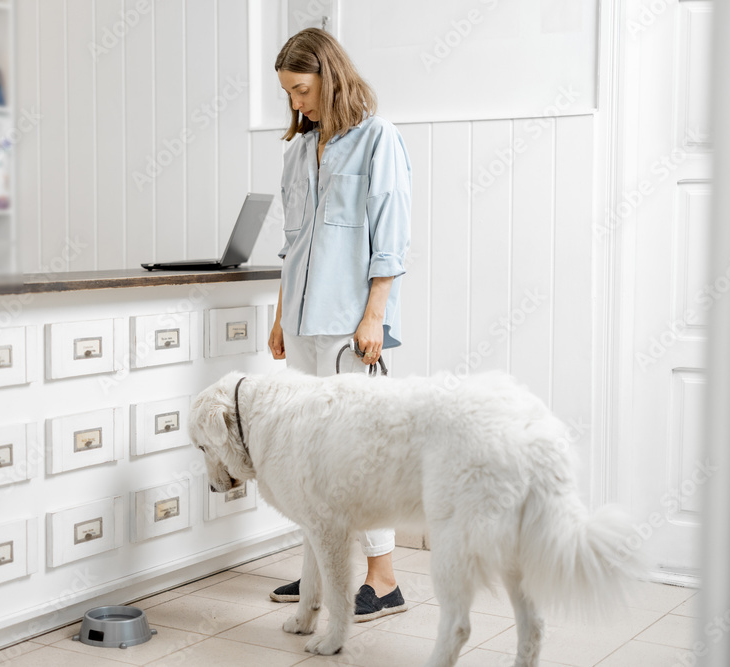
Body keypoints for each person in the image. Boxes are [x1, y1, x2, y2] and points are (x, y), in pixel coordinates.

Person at [267, 28, 412, 622]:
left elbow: (391, 235)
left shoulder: (378, 139)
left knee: (357, 456)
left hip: (351, 325)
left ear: (331, 75)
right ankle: (320, 578)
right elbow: (292, 244)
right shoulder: (299, 152)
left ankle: (384, 578)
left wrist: (375, 314)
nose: (298, 104)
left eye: (302, 90)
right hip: (301, 323)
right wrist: (278, 318)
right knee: (308, 455)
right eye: (289, 95)